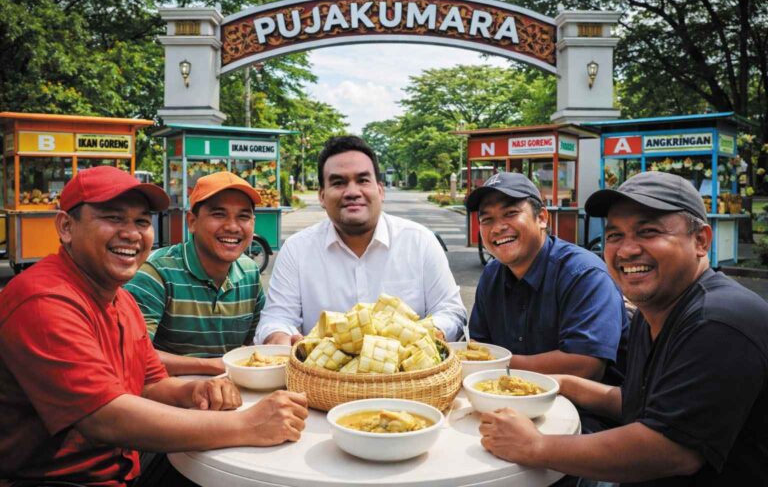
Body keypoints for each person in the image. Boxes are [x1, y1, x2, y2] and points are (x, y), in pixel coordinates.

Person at [0, 166, 308, 486]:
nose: (131, 233)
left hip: (126, 465)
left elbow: (149, 384)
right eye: (113, 218)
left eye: (142, 221)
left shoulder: (121, 300)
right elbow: (104, 418)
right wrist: (248, 425)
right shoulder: (43, 299)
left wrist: (197, 390)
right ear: (66, 226)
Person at [479, 171, 768, 485]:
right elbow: (639, 403)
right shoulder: (654, 310)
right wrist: (559, 384)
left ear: (701, 241)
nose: (627, 250)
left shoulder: (718, 321)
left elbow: (671, 450)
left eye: (648, 231)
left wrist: (535, 445)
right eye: (615, 235)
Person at [255, 135, 466, 344]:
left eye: (363, 180)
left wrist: (424, 334)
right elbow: (276, 318)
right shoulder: (297, 249)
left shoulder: (420, 242)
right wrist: (281, 339)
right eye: (338, 182)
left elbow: (450, 311)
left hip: (411, 376)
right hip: (320, 377)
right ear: (321, 196)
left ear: (380, 191)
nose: (352, 192)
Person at [465, 172, 627, 383]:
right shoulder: (492, 274)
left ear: (541, 218)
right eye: (487, 219)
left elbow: (585, 366)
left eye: (510, 213)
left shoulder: (583, 274)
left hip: (584, 409)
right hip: (508, 398)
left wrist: (493, 364)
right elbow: (479, 344)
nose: (497, 228)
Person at [126, 171, 264, 375]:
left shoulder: (250, 273)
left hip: (232, 395)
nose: (233, 227)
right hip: (167, 399)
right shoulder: (155, 273)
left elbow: (256, 343)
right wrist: (213, 366)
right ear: (192, 222)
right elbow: (132, 353)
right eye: (219, 214)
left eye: (243, 217)